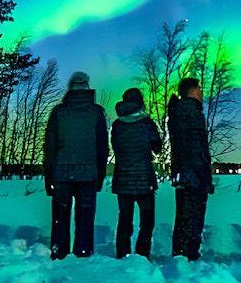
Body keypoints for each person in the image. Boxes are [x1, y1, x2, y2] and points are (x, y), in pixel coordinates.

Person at [43, 70, 108, 259]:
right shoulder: (97, 112)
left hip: (62, 175)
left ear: (70, 88)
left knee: (60, 220)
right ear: (87, 87)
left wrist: (49, 178)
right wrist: (100, 176)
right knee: (85, 220)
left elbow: (50, 148)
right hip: (88, 175)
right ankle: (83, 253)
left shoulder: (58, 112)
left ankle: (58, 253)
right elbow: (102, 148)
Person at [110, 87, 162, 258]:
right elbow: (158, 148)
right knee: (146, 222)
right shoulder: (147, 123)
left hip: (123, 180)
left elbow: (116, 148)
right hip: (143, 180)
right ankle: (142, 256)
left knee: (125, 220)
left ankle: (122, 254)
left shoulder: (117, 125)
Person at [168, 76, 212, 260]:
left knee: (183, 219)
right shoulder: (191, 113)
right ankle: (188, 257)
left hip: (183, 175)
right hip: (192, 176)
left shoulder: (178, 111)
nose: (202, 93)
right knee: (192, 218)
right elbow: (196, 149)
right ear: (193, 91)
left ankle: (180, 255)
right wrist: (204, 177)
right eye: (200, 89)